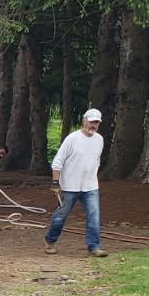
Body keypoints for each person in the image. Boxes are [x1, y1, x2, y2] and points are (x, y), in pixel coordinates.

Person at [47, 108, 108, 257]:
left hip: (90, 186)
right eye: (91, 122)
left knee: (94, 216)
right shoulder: (72, 139)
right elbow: (57, 162)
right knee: (61, 216)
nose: (93, 125)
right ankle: (50, 241)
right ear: (84, 121)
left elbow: (96, 161)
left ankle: (94, 246)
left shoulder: (99, 140)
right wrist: (55, 182)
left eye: (96, 123)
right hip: (69, 186)